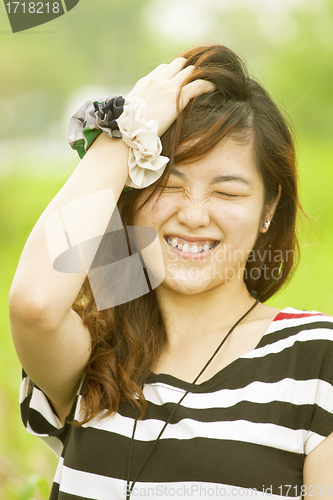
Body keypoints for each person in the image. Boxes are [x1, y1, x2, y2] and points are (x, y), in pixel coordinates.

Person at [8, 44, 333, 500]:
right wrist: (125, 131)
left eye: (228, 193)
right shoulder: (96, 352)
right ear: (131, 196)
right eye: (168, 184)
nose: (194, 215)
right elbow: (34, 304)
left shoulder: (317, 359)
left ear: (269, 207)